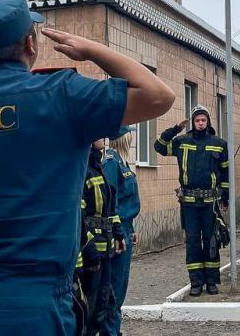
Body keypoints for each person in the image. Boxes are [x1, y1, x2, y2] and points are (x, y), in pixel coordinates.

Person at [0, 0, 175, 336]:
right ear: (30, 43)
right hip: (33, 308)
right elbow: (159, 96)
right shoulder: (62, 96)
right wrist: (91, 49)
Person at [154, 104, 229, 296]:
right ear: (193, 122)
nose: (200, 123)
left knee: (211, 241)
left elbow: (225, 172)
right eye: (197, 120)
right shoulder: (182, 141)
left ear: (208, 122)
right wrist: (175, 129)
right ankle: (196, 282)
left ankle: (211, 281)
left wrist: (225, 198)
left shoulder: (219, 144)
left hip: (210, 204)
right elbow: (159, 147)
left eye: (203, 120)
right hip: (189, 203)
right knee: (193, 242)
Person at [80, 136, 125, 336]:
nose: (104, 137)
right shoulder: (83, 170)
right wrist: (89, 247)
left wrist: (118, 233)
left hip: (105, 248)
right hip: (91, 252)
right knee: (90, 305)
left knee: (103, 301)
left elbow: (110, 208)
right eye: (99, 135)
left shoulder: (98, 166)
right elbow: (80, 216)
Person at [102, 126, 140, 336]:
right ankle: (110, 331)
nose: (131, 138)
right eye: (129, 135)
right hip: (117, 232)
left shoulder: (121, 162)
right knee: (114, 288)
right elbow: (110, 201)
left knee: (121, 286)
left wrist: (131, 229)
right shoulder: (111, 162)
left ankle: (114, 330)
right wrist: (117, 233)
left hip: (126, 228)